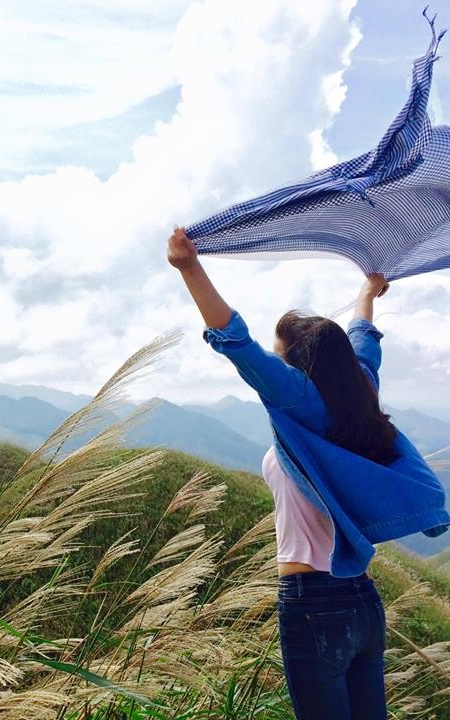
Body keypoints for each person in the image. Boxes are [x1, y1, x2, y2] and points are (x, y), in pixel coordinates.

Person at [167, 225, 391, 719]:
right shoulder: (363, 396)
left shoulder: (298, 402)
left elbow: (235, 342)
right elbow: (364, 340)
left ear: (297, 366)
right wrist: (367, 293)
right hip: (363, 601)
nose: (273, 358)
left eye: (279, 353)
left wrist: (190, 268)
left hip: (314, 602)